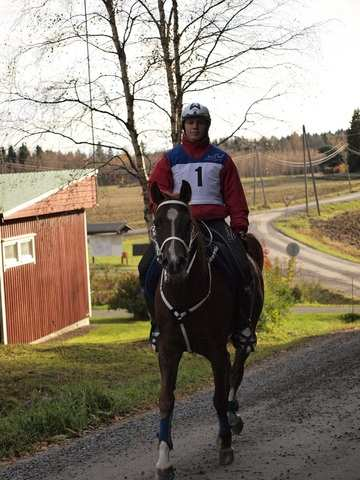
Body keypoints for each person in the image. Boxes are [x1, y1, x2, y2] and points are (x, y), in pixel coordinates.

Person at [138, 102, 256, 354]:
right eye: (190, 122)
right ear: (183, 126)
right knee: (147, 268)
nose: (195, 126)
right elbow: (156, 194)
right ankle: (157, 325)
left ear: (206, 126)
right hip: (180, 226)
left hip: (214, 224)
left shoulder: (221, 159)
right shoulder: (170, 159)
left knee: (241, 266)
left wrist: (239, 225)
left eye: (199, 122)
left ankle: (242, 325)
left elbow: (235, 195)